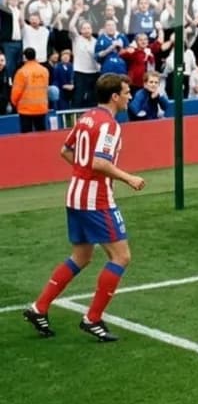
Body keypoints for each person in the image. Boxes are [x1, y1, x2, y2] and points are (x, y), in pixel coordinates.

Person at [23, 72, 145, 342]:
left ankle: (38, 307)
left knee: (81, 256)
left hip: (75, 194)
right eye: (126, 92)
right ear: (115, 96)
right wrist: (129, 178)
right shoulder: (110, 126)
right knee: (121, 256)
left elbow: (65, 151)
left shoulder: (87, 117)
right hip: (96, 199)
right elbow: (100, 162)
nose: (129, 96)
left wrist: (82, 172)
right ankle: (93, 318)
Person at [11, 47, 49, 132]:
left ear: (24, 57)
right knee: (42, 135)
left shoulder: (21, 72)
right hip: (41, 108)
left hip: (26, 110)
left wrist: (14, 103)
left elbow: (16, 92)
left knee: (26, 137)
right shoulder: (44, 71)